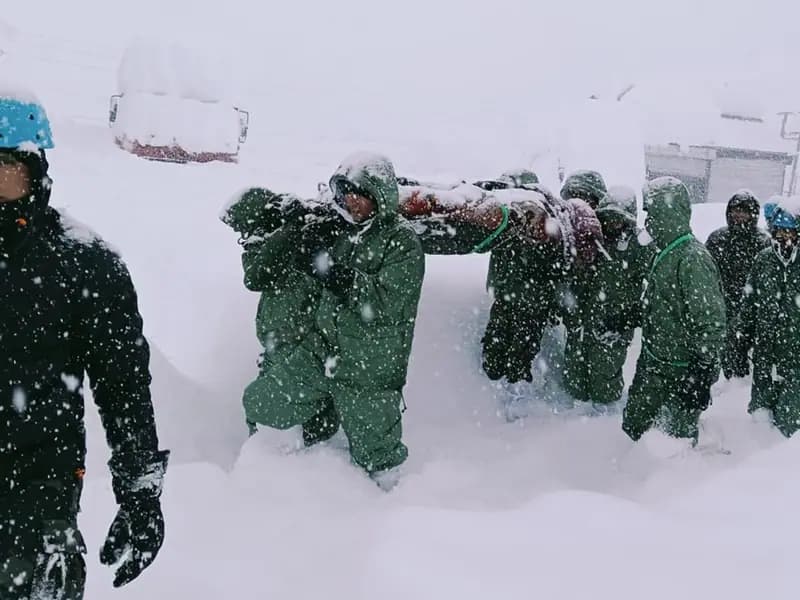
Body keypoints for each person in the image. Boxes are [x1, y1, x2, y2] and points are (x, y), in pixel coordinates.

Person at [0, 95, 169, 598]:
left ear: (35, 171)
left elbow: (123, 385)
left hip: (38, 485)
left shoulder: (84, 263)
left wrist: (139, 492)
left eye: (5, 166)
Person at [230, 153, 425, 490]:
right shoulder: (338, 227)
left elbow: (387, 304)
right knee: (263, 402)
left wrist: (335, 274)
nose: (350, 201)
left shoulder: (401, 241)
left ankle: (393, 511)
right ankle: (279, 472)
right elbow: (264, 275)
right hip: (321, 352)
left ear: (379, 196)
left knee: (379, 459)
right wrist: (295, 233)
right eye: (345, 193)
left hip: (370, 366)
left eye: (359, 194)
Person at [400, 176, 602, 384]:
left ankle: (505, 383)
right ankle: (509, 383)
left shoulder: (543, 218)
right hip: (529, 299)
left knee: (505, 350)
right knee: (517, 350)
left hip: (516, 296)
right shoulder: (556, 222)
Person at [622, 176, 726, 443]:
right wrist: (631, 315)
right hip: (654, 364)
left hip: (681, 372)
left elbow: (711, 322)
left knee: (672, 444)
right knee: (636, 429)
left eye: (652, 213)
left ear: (669, 212)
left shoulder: (692, 258)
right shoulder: (664, 251)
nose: (648, 221)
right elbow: (664, 302)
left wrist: (700, 373)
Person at [562, 185, 653, 406]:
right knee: (574, 375)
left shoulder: (639, 245)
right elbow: (570, 274)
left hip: (614, 325)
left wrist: (632, 315)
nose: (612, 223)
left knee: (604, 379)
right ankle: (573, 417)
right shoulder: (589, 237)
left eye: (618, 219)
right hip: (581, 320)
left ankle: (603, 418)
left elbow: (655, 284)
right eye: (608, 217)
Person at [733, 200, 800, 437]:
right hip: (765, 354)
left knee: (790, 424)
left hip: (795, 358)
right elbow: (749, 305)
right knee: (760, 418)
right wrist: (741, 342)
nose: (785, 237)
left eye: (790, 232)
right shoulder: (764, 260)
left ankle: (782, 454)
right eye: (780, 231)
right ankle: (758, 450)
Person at [705, 190, 770, 378]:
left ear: (753, 214)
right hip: (720, 303)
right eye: (735, 210)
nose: (739, 215)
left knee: (740, 354)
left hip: (749, 307)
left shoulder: (763, 242)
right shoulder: (717, 238)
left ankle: (736, 383)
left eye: (744, 211)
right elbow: (707, 271)